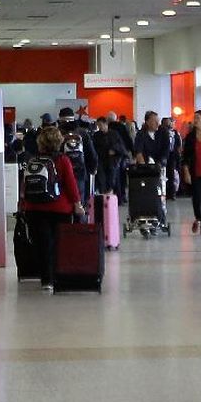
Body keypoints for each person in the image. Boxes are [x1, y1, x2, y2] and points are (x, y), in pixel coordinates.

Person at [19, 125, 84, 290]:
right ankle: (57, 276)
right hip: (59, 209)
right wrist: (77, 205)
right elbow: (71, 185)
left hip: (34, 208)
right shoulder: (63, 160)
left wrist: (23, 205)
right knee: (57, 244)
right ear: (59, 142)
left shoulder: (32, 160)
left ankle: (45, 279)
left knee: (41, 244)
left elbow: (24, 186)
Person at [58, 107, 98, 206]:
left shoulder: (56, 133)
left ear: (60, 119)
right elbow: (91, 154)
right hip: (79, 172)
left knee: (62, 200)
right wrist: (92, 169)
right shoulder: (82, 133)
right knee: (79, 201)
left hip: (60, 173)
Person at [91, 116, 126, 195]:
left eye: (100, 125)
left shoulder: (114, 134)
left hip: (112, 161)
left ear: (105, 124)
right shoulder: (96, 135)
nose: (99, 127)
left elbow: (121, 146)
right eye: (98, 125)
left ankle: (110, 196)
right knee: (102, 179)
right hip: (101, 161)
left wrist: (114, 150)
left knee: (111, 180)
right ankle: (103, 195)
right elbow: (94, 148)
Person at [163, 117, 182, 201]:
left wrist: (178, 152)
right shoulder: (161, 133)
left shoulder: (175, 133)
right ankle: (165, 193)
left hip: (173, 155)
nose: (169, 124)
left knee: (172, 174)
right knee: (164, 174)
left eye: (170, 123)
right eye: (167, 123)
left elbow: (178, 144)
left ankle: (172, 193)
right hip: (164, 155)